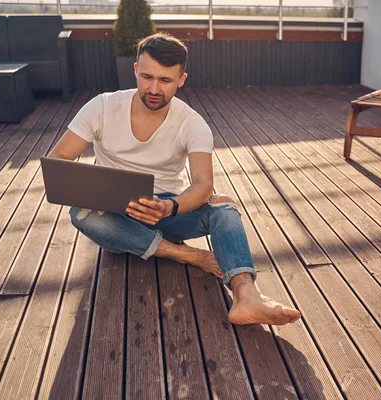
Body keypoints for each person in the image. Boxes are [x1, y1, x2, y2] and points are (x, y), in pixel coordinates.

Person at [48, 33, 301, 326]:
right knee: (81, 213)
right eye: (146, 77)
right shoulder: (101, 107)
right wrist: (93, 187)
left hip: (166, 213)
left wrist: (169, 208)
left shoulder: (192, 123)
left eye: (165, 81)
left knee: (224, 206)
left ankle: (245, 294)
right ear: (135, 71)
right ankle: (185, 255)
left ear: (181, 80)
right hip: (114, 217)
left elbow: (203, 185)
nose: (153, 88)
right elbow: (59, 160)